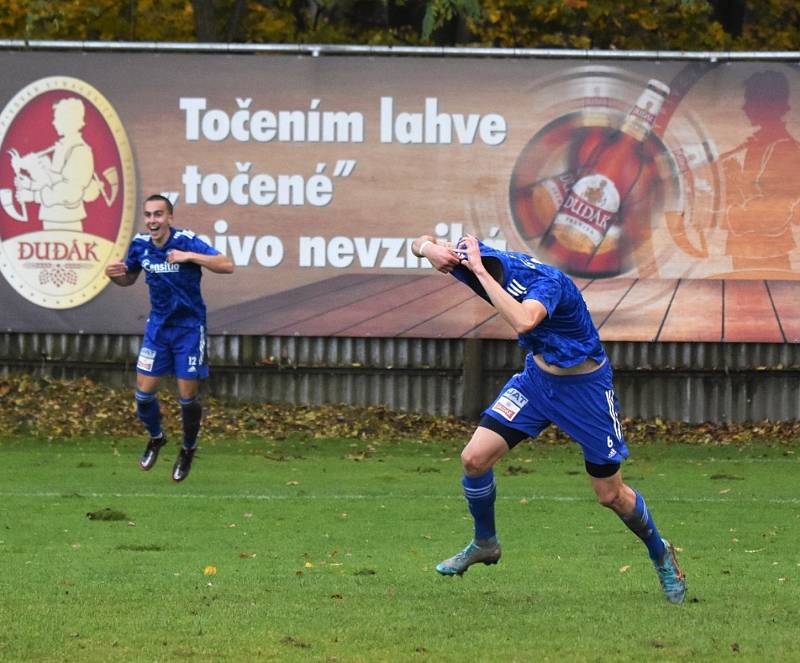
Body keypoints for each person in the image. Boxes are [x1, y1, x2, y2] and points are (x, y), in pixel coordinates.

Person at [412, 233, 686, 604]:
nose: (472, 280)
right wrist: (428, 250)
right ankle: (485, 543)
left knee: (610, 495)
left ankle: (660, 553)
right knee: (473, 459)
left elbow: (525, 321)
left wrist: (479, 271)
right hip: (536, 383)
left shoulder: (547, 283)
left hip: (585, 390)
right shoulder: (481, 261)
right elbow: (420, 241)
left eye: (476, 273)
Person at [105, 194, 234, 481]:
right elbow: (128, 278)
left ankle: (188, 449)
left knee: (187, 397)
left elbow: (227, 264)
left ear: (170, 218)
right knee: (143, 394)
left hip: (188, 328)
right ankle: (157, 437)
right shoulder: (139, 245)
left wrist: (190, 257)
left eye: (159, 215)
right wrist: (113, 275)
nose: (153, 220)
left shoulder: (186, 241)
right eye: (149, 215)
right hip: (158, 329)